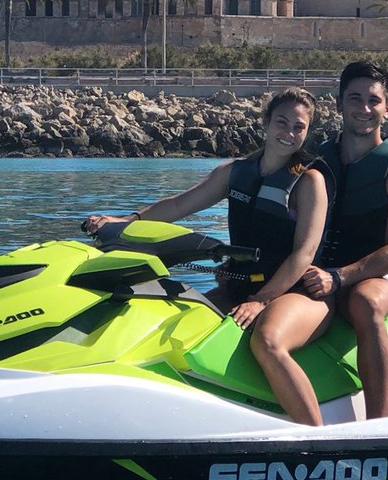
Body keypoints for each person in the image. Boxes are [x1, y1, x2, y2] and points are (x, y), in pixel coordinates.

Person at [246, 60, 388, 425]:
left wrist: (339, 277)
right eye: (354, 99)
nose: (364, 108)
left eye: (373, 100)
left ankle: (379, 426)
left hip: (372, 277)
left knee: (365, 302)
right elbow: (257, 178)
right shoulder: (314, 160)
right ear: (339, 103)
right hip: (315, 273)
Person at [82, 88, 327, 329]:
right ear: (266, 123)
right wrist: (126, 220)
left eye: (299, 127)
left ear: (307, 132)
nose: (289, 133)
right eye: (282, 123)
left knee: (268, 342)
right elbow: (179, 205)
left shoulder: (308, 181)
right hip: (240, 285)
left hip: (286, 292)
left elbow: (304, 253)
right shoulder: (235, 173)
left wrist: (261, 301)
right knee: (171, 326)